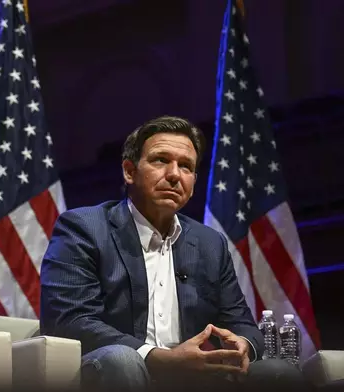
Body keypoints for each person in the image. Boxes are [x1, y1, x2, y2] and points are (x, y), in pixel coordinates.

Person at [40, 116, 306, 390]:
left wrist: (243, 345)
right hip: (118, 367)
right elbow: (70, 319)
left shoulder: (209, 243)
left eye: (186, 166)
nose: (174, 175)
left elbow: (242, 323)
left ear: (193, 183)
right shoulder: (84, 227)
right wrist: (161, 358)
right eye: (160, 160)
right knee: (123, 360)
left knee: (278, 372)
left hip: (195, 377)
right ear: (129, 171)